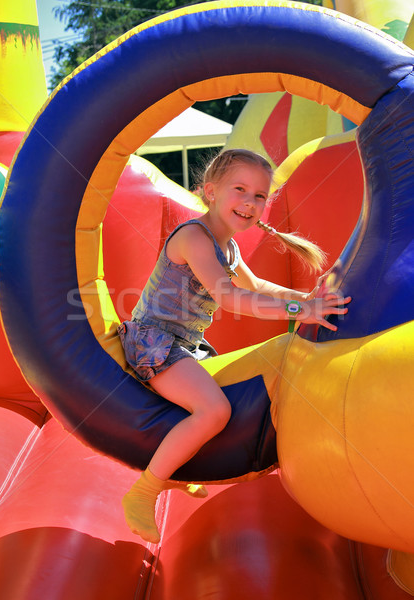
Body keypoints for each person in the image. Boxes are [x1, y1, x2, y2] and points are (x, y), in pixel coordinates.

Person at [117, 148, 351, 543]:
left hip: (186, 346)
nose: (250, 201)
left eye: (260, 196)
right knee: (214, 410)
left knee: (225, 401)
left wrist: (310, 298)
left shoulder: (229, 247)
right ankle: (143, 490)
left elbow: (256, 286)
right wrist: (301, 308)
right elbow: (230, 297)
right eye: (239, 189)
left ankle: (175, 467)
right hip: (154, 341)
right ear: (210, 191)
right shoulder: (194, 237)